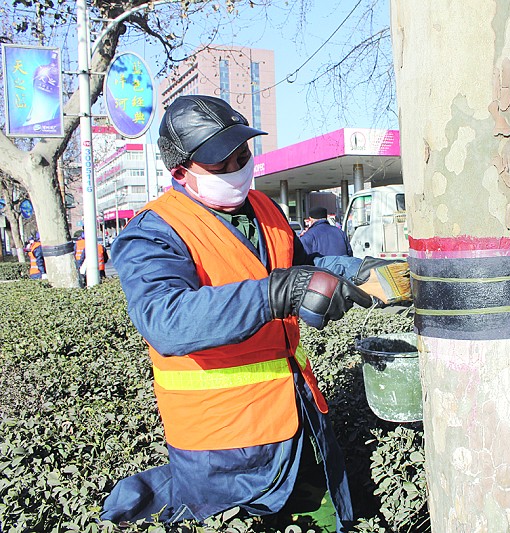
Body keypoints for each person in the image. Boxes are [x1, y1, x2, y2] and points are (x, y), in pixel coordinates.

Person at [100, 95, 374, 531]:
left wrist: (359, 272)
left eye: (242, 154)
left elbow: (301, 268)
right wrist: (277, 293)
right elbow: (166, 319)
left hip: (299, 419)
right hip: (225, 450)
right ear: (181, 173)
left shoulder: (266, 209)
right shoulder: (154, 231)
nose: (236, 168)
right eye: (219, 163)